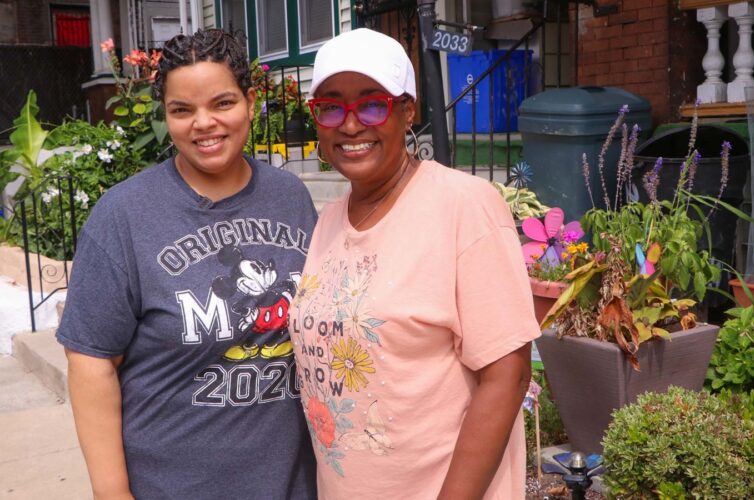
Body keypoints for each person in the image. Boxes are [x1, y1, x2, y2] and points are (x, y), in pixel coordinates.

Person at [57, 29, 317, 499]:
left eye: (222, 103)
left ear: (250, 102)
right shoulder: (125, 215)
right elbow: (91, 361)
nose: (204, 123)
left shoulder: (291, 198)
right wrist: (111, 492)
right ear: (166, 115)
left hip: (291, 483)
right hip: (173, 485)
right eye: (182, 110)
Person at [289, 28, 540, 499]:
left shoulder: (465, 206)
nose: (350, 125)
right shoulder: (328, 220)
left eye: (371, 104)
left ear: (407, 111)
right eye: (331, 106)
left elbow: (507, 375)